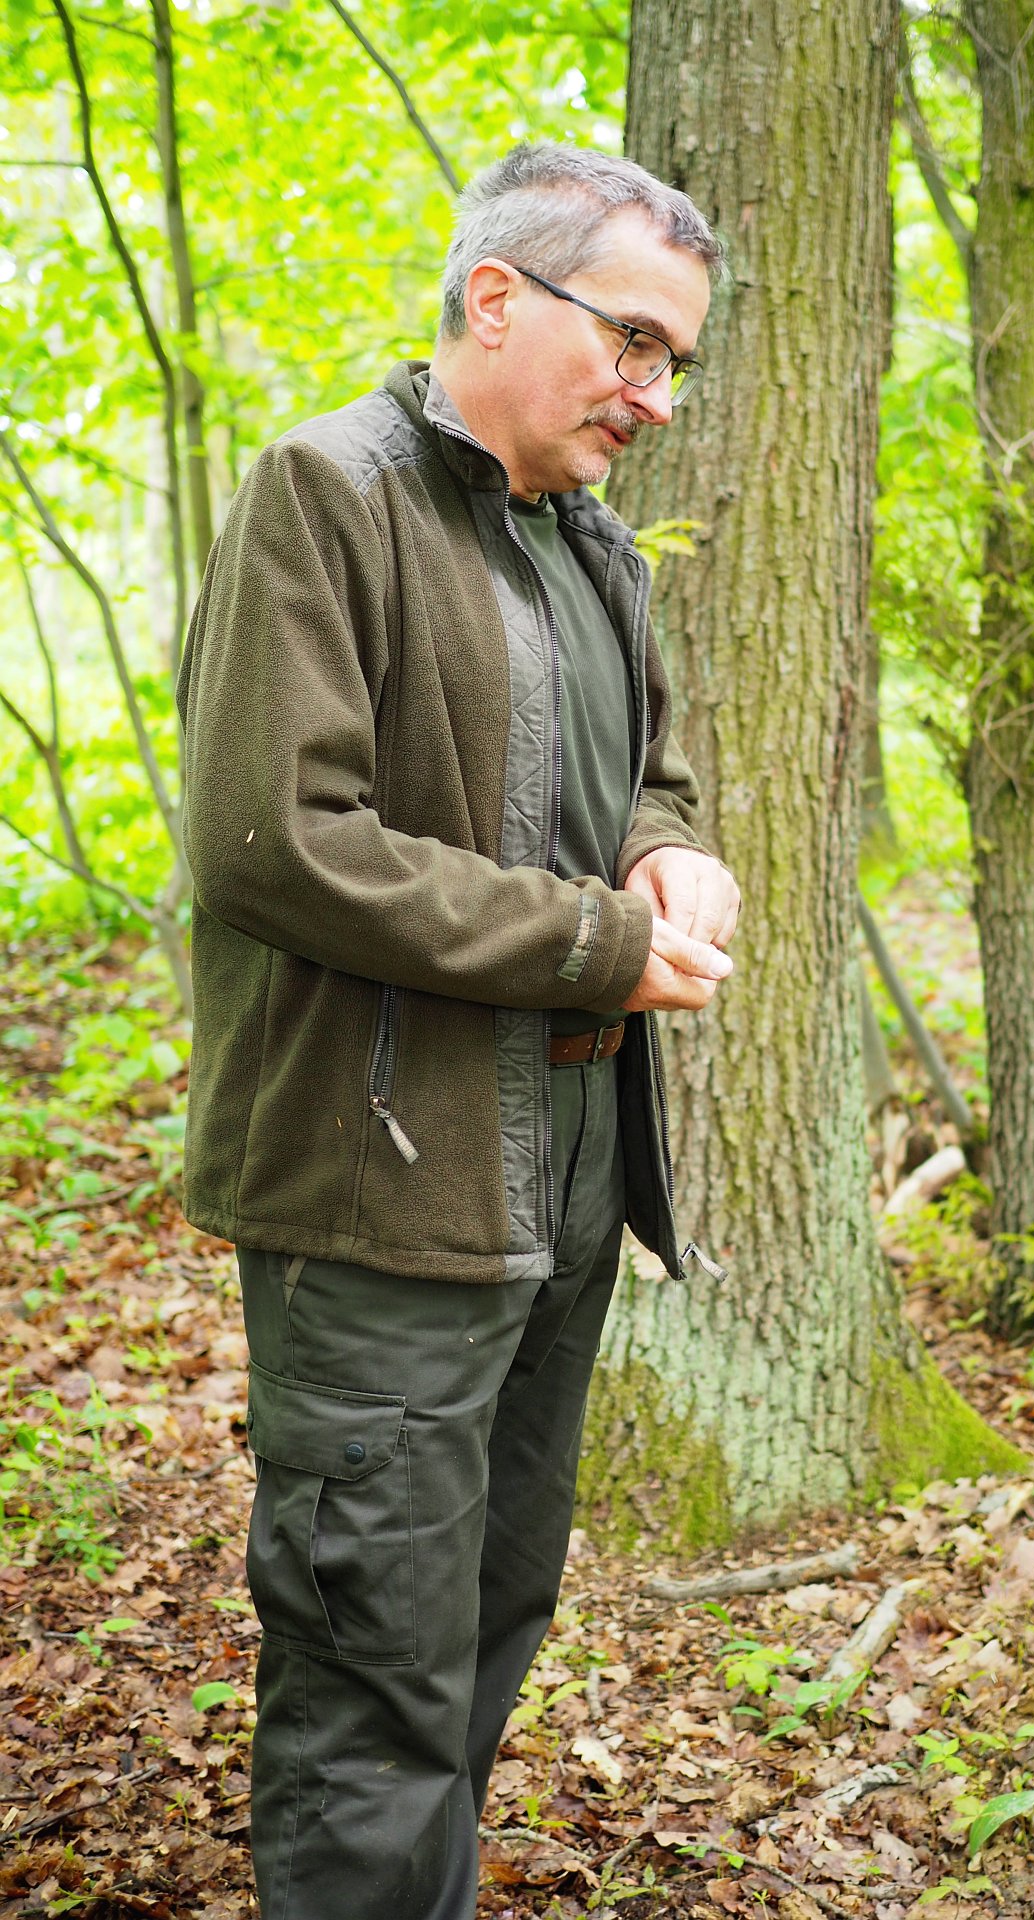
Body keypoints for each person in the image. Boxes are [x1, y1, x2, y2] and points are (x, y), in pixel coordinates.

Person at [175, 141, 741, 1920]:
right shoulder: (323, 493)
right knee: (375, 1682)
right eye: (633, 342)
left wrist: (666, 855)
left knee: (492, 1621)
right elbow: (276, 841)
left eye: (676, 362)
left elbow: (641, 774)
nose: (656, 395)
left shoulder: (592, 546)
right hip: (381, 1194)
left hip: (559, 1190)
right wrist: (593, 942)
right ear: (496, 296)